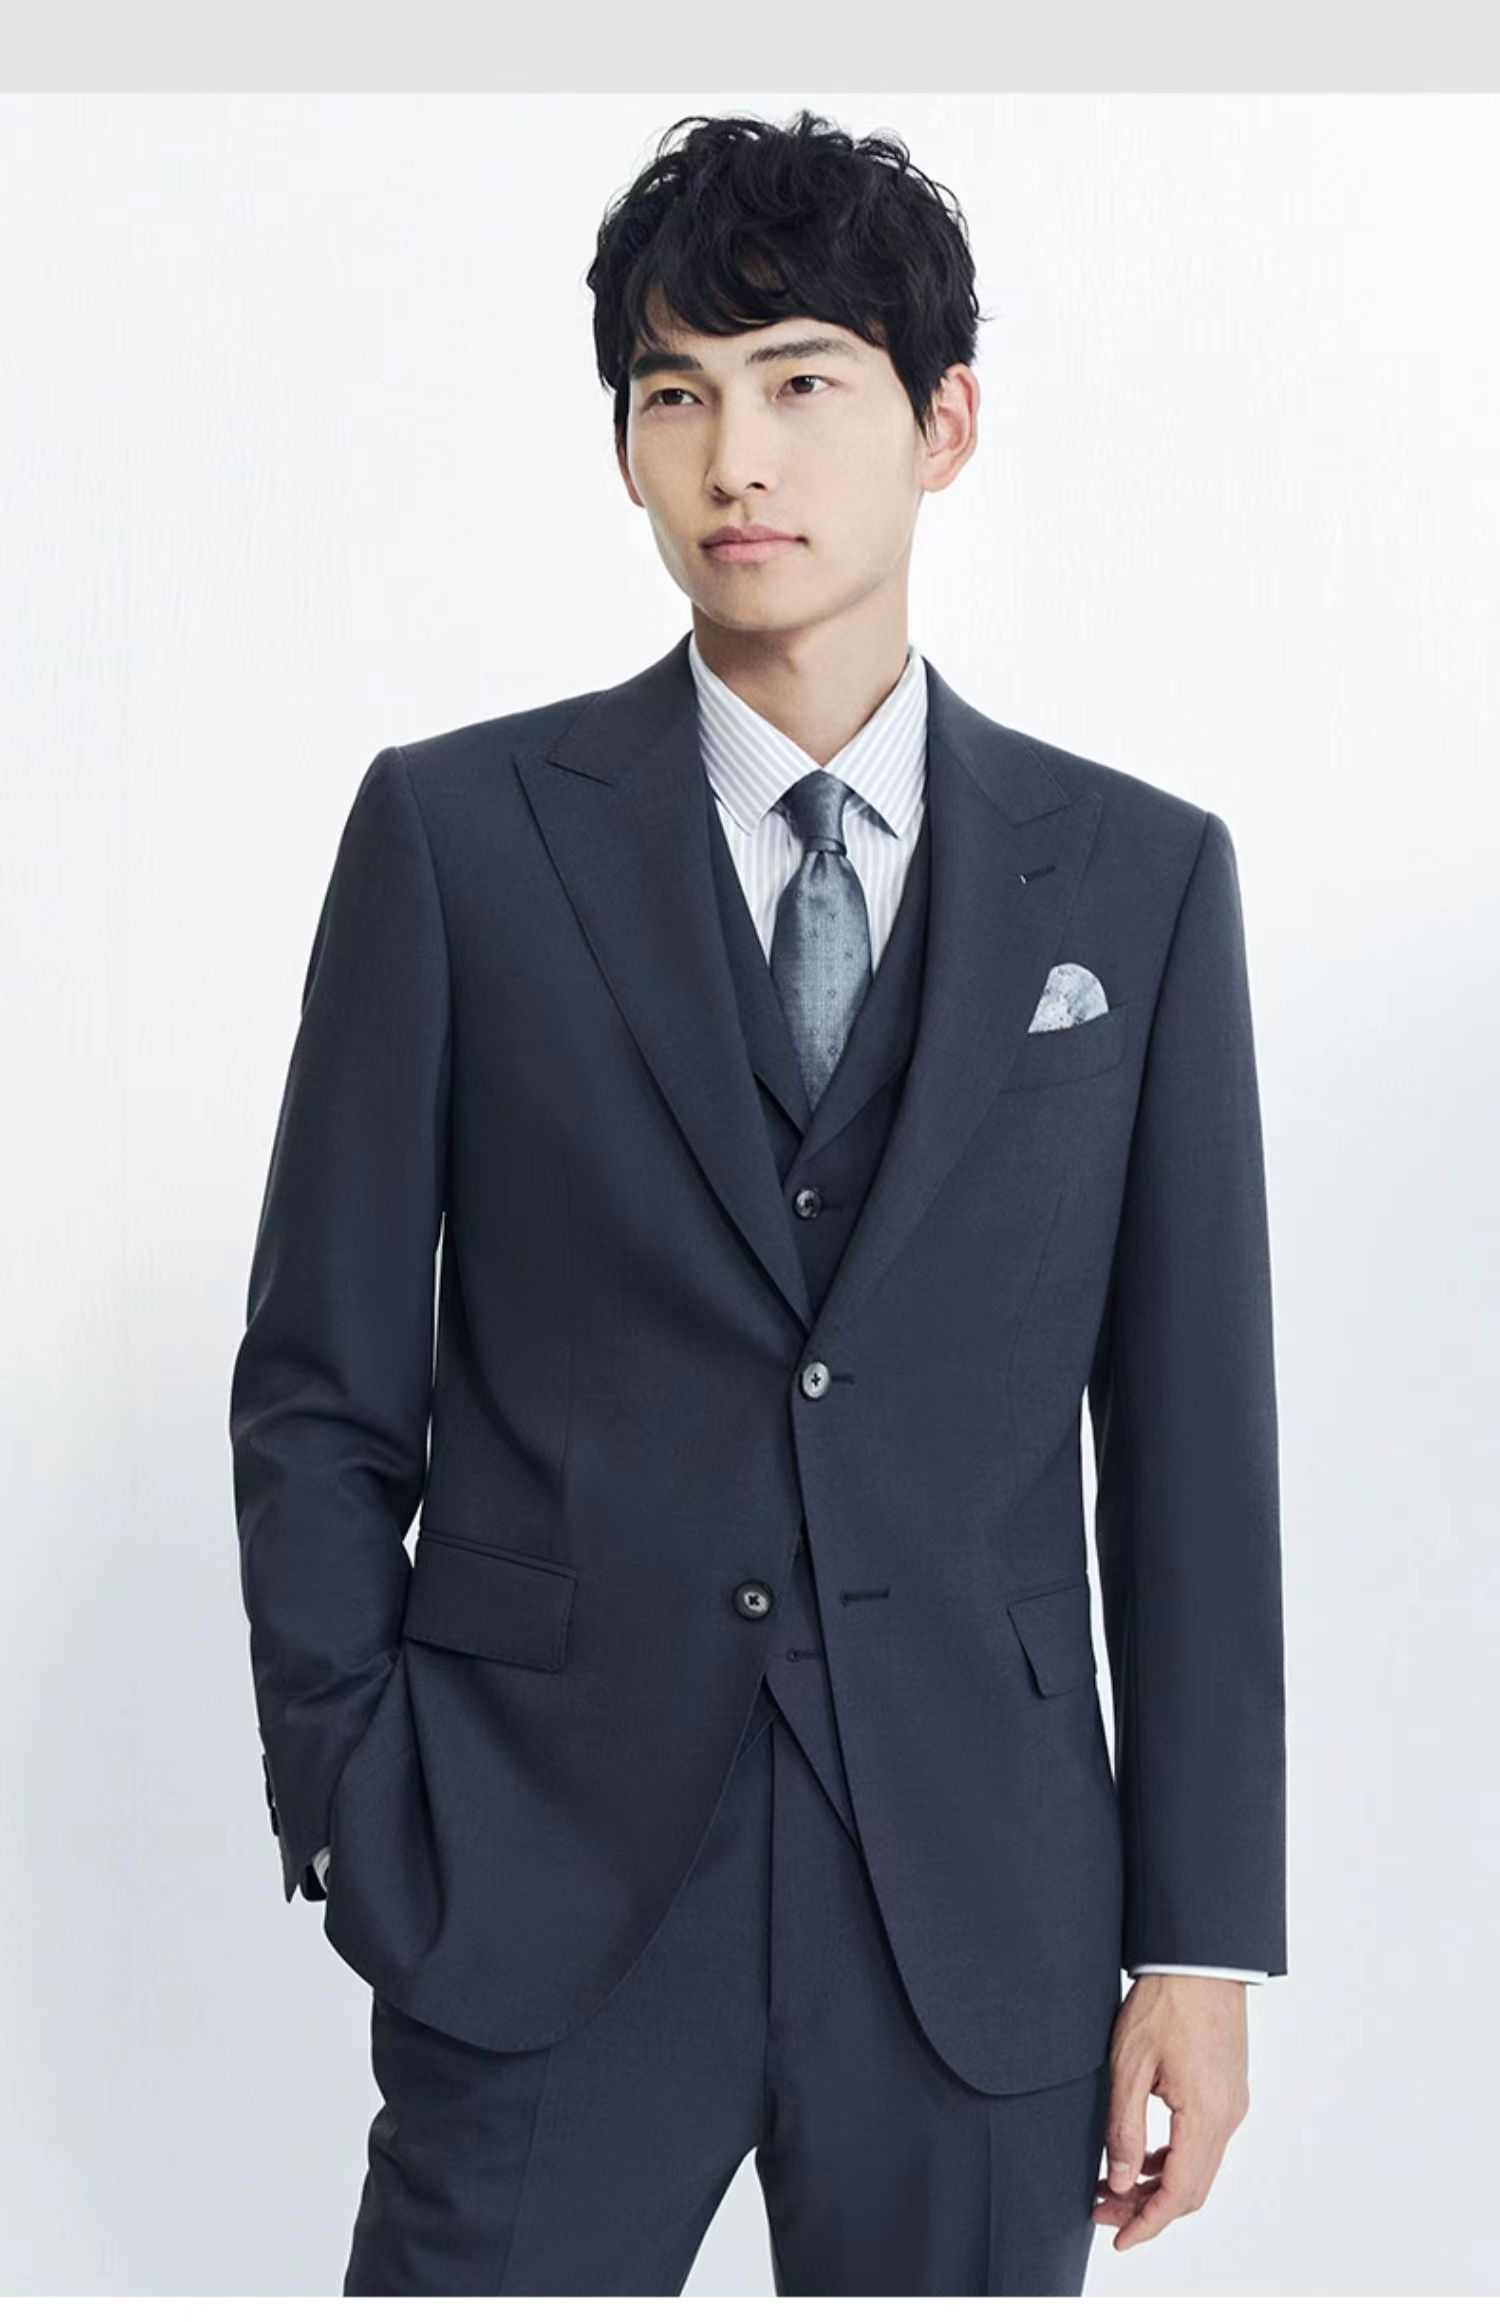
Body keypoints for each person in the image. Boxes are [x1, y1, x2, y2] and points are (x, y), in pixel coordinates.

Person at [229, 107, 1286, 2296]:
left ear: (944, 423)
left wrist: (1200, 1940)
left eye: (803, 382)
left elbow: (1192, 1452)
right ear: (625, 444)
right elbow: (321, 1384)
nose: (737, 460)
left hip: (977, 1903)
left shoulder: (1141, 880)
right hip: (536, 1874)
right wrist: (354, 1798)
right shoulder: (457, 841)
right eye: (676, 394)